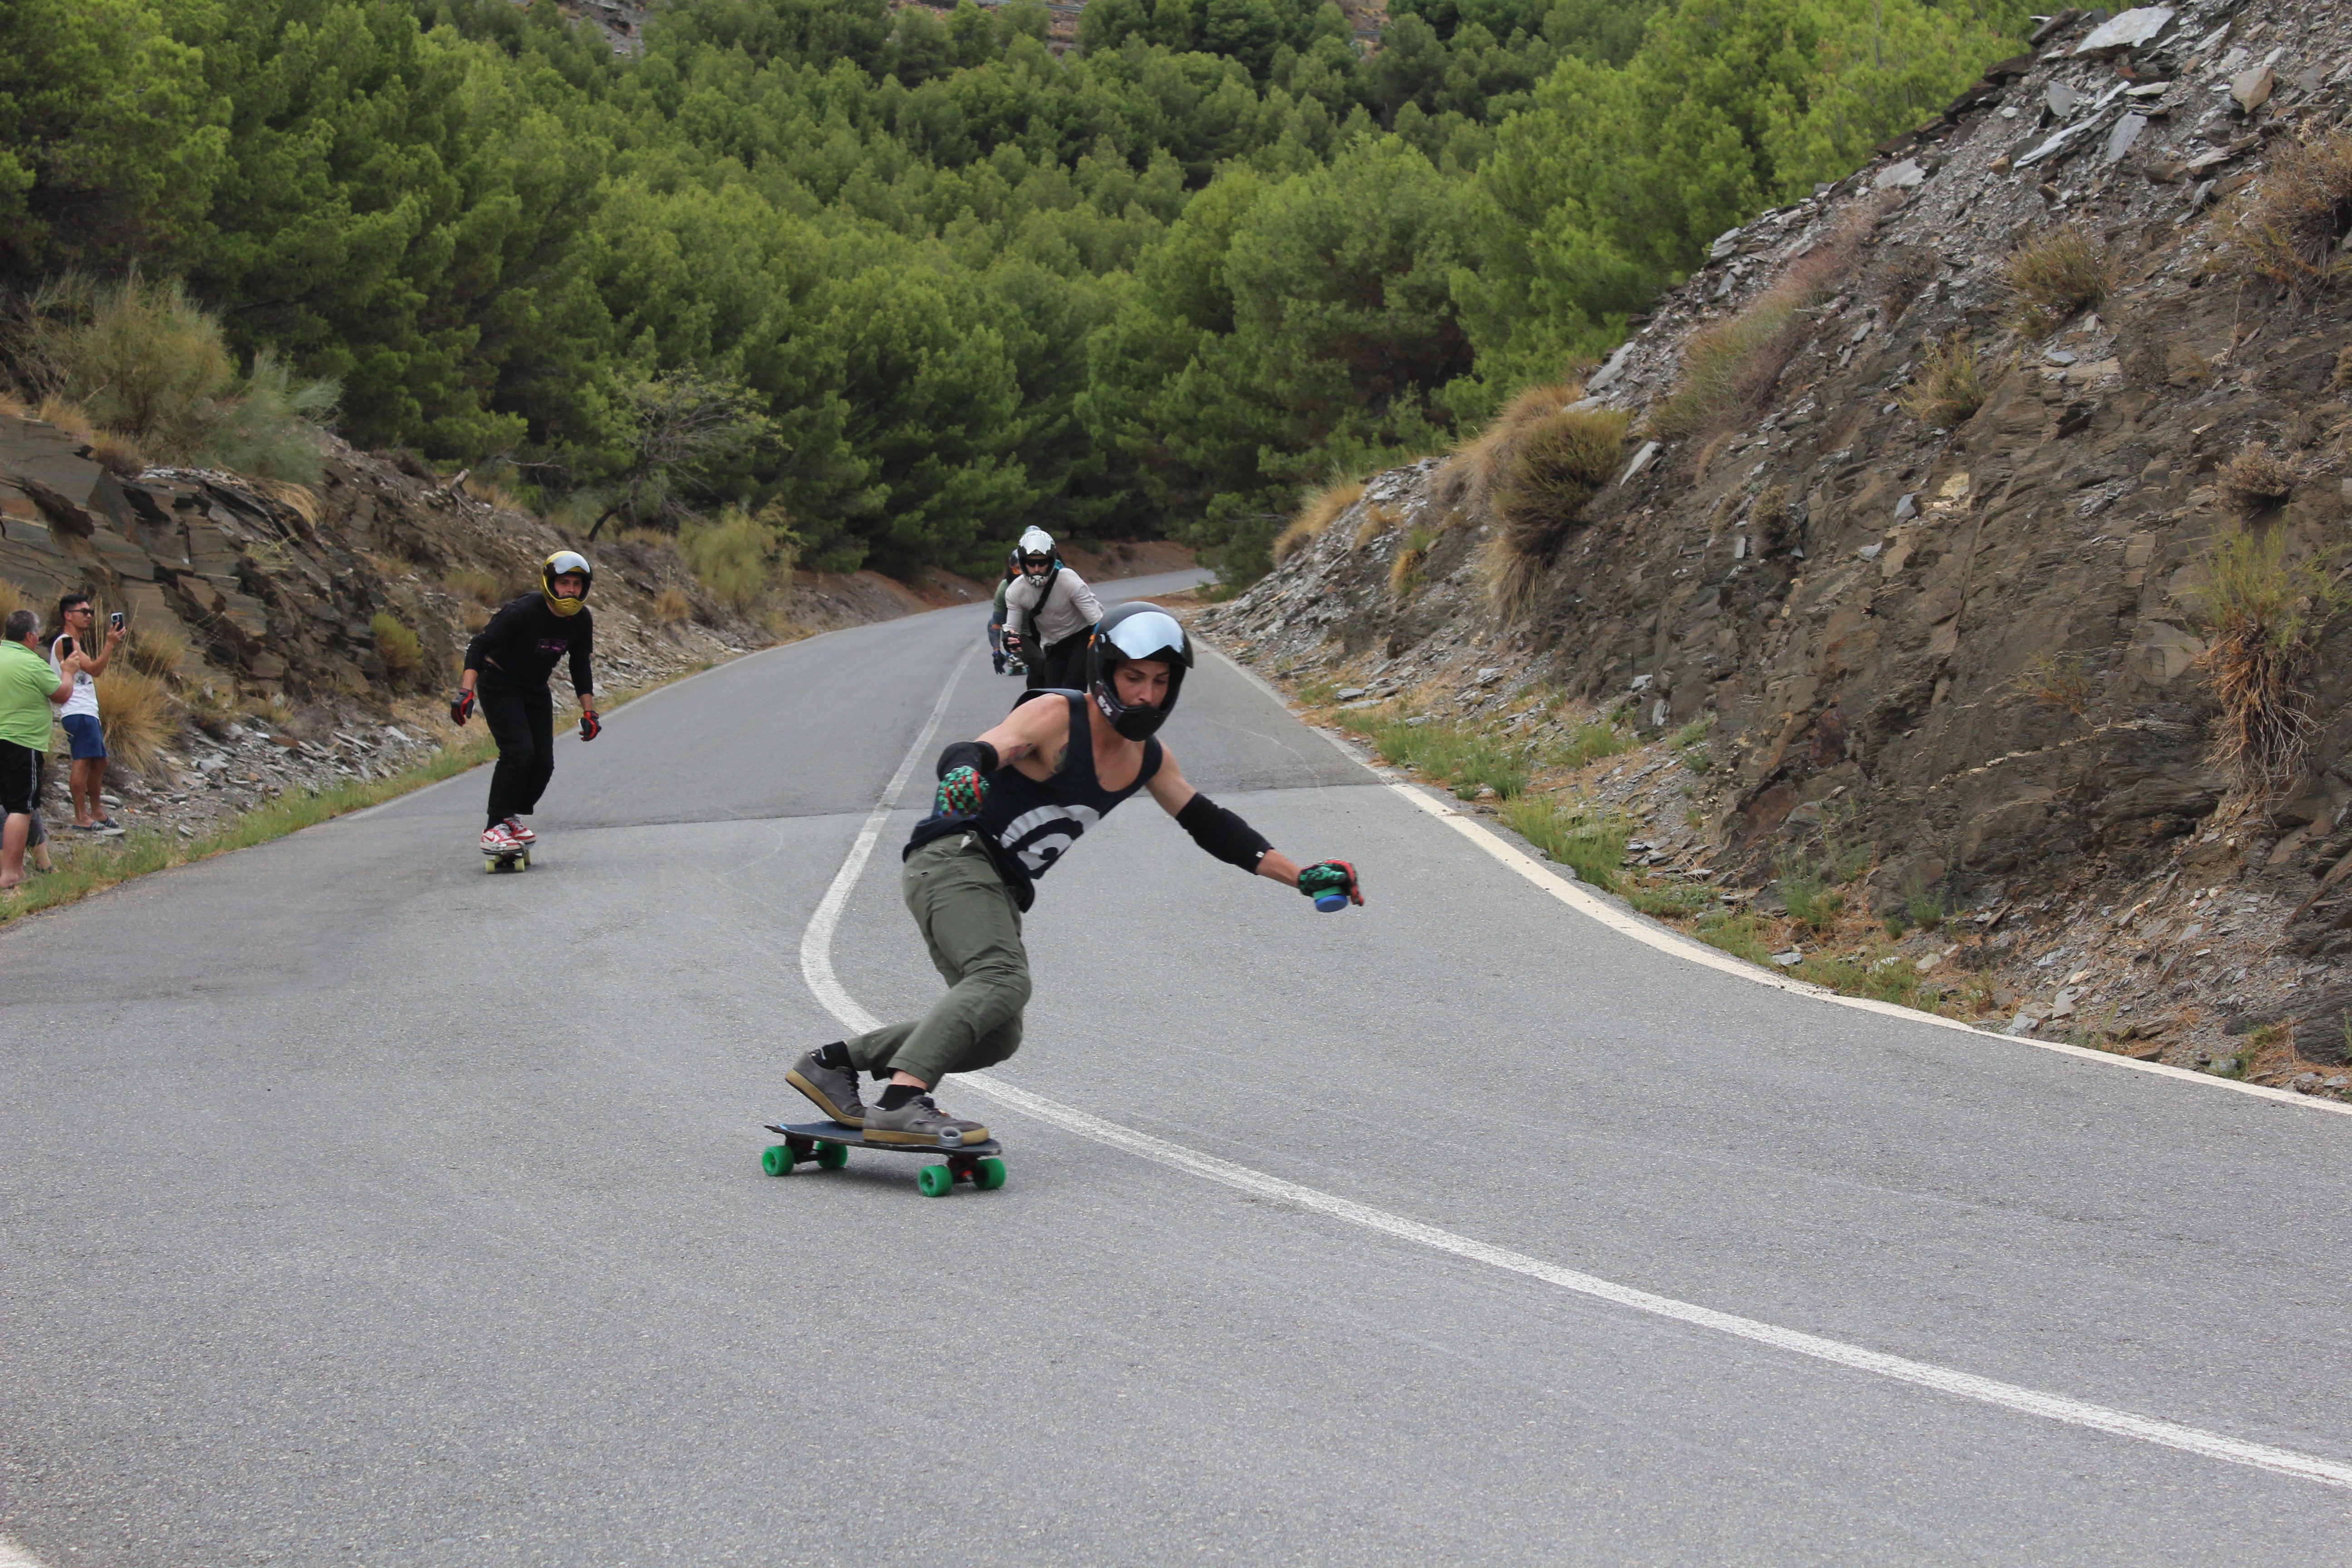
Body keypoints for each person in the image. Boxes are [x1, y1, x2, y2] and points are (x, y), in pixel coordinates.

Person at [783, 602, 1363, 1147]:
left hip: (997, 884)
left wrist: (1303, 876)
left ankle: (831, 1065)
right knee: (1003, 978)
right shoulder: (1058, 714)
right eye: (1134, 678)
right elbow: (982, 747)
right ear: (1104, 673)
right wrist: (964, 773)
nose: (1146, 694)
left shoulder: (1149, 758)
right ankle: (902, 1100)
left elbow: (1213, 826)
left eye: (1161, 682)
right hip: (956, 857)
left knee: (996, 1032)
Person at [450, 551, 600, 854]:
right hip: (498, 680)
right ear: (550, 583)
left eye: (576, 584)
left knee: (543, 763)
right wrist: (465, 692)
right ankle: (494, 827)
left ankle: (508, 816)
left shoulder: (581, 620)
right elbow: (479, 645)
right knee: (519, 750)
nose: (570, 590)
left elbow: (580, 665)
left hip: (535, 687)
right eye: (564, 583)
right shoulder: (522, 611)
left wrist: (589, 711)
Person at [1, 608, 73, 892]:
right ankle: (11, 873)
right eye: (38, 633)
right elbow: (61, 694)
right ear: (30, 636)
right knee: (21, 807)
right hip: (21, 742)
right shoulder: (32, 663)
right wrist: (67, 671)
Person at [47, 592, 125, 833]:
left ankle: (97, 812)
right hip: (76, 709)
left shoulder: (75, 643)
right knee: (82, 762)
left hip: (87, 709)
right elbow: (95, 670)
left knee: (99, 761)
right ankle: (81, 816)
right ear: (68, 616)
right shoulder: (65, 642)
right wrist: (110, 644)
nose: (89, 616)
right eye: (84, 612)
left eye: (90, 612)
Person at [1001, 526, 1102, 692]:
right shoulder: (1015, 591)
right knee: (1053, 694)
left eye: (1042, 562)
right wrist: (1009, 641)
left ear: (1052, 560)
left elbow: (1097, 621)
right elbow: (1013, 629)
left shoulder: (1068, 580)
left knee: (1073, 686)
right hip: (1053, 643)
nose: (1037, 569)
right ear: (1022, 561)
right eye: (1031, 562)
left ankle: (1079, 714)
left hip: (1082, 635)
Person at [986, 550, 1020, 676]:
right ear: (1011, 569)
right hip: (1017, 627)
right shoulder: (1004, 588)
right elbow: (995, 624)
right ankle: (1014, 654)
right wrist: (996, 652)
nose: (1022, 574)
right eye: (1018, 569)